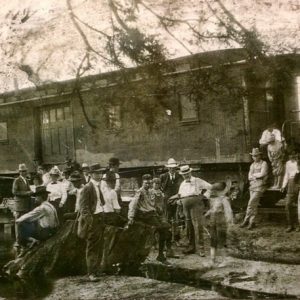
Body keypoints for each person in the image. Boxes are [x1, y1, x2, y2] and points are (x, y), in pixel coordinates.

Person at [127, 174, 172, 263]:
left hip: (152, 214)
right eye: (146, 183)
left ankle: (161, 254)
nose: (148, 185)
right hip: (144, 215)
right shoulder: (140, 192)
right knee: (162, 229)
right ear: (142, 183)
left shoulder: (151, 192)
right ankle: (159, 255)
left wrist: (159, 210)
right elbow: (133, 205)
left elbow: (153, 204)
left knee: (167, 228)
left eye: (149, 183)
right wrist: (131, 217)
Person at [78, 163, 110, 282]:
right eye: (97, 173)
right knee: (92, 246)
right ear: (91, 174)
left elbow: (100, 202)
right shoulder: (87, 187)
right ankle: (91, 272)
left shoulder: (97, 186)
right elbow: (83, 208)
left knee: (100, 244)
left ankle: (96, 270)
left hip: (100, 218)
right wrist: (91, 222)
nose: (100, 174)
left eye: (101, 172)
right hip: (93, 220)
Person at [177, 165, 211, 257]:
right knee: (189, 226)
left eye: (187, 174)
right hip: (185, 206)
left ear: (190, 173)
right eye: (184, 174)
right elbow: (180, 194)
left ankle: (201, 249)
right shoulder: (183, 183)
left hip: (196, 205)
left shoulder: (197, 180)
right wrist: (180, 201)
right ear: (182, 175)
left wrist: (204, 196)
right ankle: (191, 247)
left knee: (198, 226)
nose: (186, 176)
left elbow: (210, 187)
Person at [16, 186, 59, 250]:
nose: (35, 199)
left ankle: (26, 245)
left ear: (40, 197)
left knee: (21, 223)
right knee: (32, 222)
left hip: (46, 233)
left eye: (36, 197)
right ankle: (30, 241)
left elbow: (29, 215)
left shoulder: (42, 208)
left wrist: (17, 220)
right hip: (53, 230)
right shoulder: (51, 205)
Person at [205, 182, 233, 265]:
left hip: (221, 221)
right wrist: (208, 213)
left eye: (216, 191)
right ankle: (212, 260)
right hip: (213, 221)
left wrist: (229, 221)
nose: (214, 193)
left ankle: (224, 260)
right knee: (213, 240)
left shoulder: (224, 199)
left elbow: (228, 211)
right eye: (214, 191)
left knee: (221, 241)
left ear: (221, 191)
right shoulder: (214, 199)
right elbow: (213, 209)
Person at [240, 148, 268, 230]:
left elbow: (263, 173)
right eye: (253, 156)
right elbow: (249, 176)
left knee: (251, 202)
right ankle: (252, 222)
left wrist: (254, 176)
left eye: (256, 156)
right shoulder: (252, 165)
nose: (254, 157)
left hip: (260, 185)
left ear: (260, 156)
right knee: (254, 205)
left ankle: (246, 220)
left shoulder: (264, 163)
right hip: (253, 185)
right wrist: (255, 176)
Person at [160, 158, 182, 243]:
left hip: (176, 199)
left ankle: (177, 238)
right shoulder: (163, 176)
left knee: (177, 219)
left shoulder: (179, 176)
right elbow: (160, 189)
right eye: (170, 168)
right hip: (166, 201)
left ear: (176, 168)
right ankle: (167, 238)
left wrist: (177, 198)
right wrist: (164, 196)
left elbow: (181, 188)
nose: (172, 169)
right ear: (168, 168)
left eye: (173, 168)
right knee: (167, 219)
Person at [12, 163, 34, 248]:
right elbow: (15, 192)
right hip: (19, 205)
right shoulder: (16, 180)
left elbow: (28, 190)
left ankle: (24, 240)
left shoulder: (27, 180)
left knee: (24, 222)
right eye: (22, 171)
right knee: (18, 223)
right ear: (19, 172)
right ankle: (18, 241)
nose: (24, 172)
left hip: (26, 205)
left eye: (25, 171)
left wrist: (31, 192)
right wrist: (27, 193)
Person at [152, 177, 175, 258]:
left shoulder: (161, 193)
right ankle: (155, 245)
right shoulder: (151, 192)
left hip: (161, 214)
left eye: (158, 183)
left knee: (168, 229)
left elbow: (163, 204)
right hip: (153, 214)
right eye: (155, 183)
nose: (157, 185)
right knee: (155, 229)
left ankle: (169, 249)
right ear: (153, 184)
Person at [282, 155, 300, 232]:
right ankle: (290, 225)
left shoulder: (299, 162)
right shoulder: (288, 163)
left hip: (298, 182)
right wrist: (283, 185)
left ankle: (298, 225)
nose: (292, 157)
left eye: (294, 154)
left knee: (298, 206)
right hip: (291, 183)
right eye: (290, 155)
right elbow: (286, 174)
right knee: (288, 204)